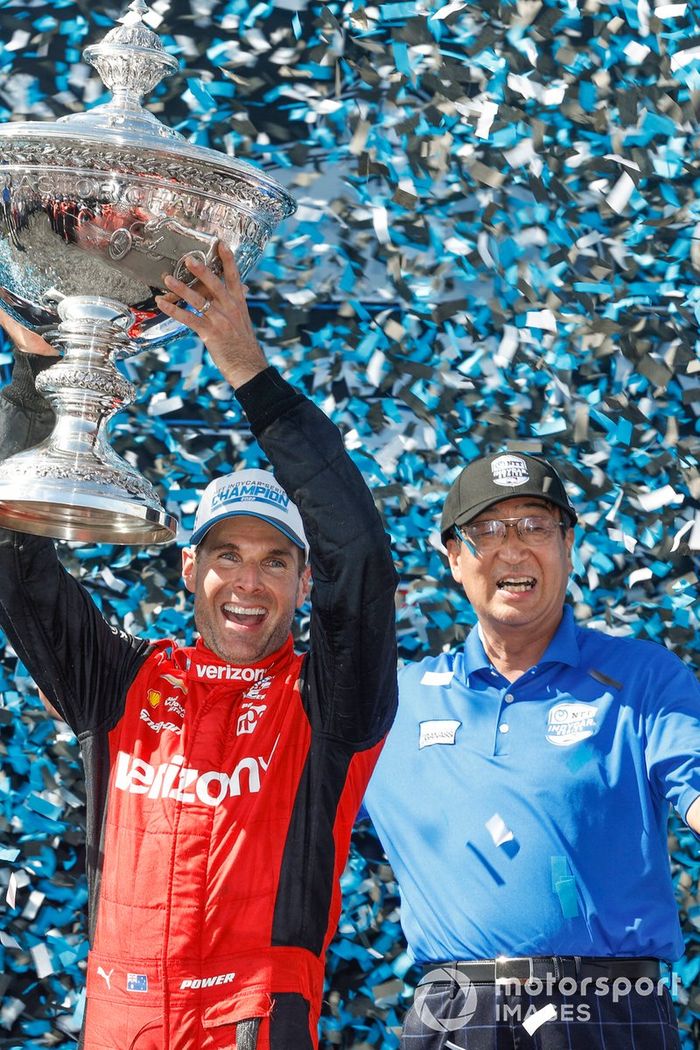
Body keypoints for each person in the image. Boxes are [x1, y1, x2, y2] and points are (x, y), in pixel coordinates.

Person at [0, 243, 398, 1050]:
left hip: (252, 1019)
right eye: (227, 555)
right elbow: (12, 556)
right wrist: (34, 388)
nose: (248, 583)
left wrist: (248, 369)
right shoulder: (117, 679)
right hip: (120, 1018)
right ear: (190, 568)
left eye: (274, 561)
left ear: (302, 581)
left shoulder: (329, 703)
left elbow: (359, 555)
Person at [365, 450, 700, 1050]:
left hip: (611, 1008)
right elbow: (293, 821)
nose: (512, 548)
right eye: (487, 530)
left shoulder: (643, 678)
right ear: (453, 558)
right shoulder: (396, 703)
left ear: (569, 547)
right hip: (455, 1013)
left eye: (536, 526)